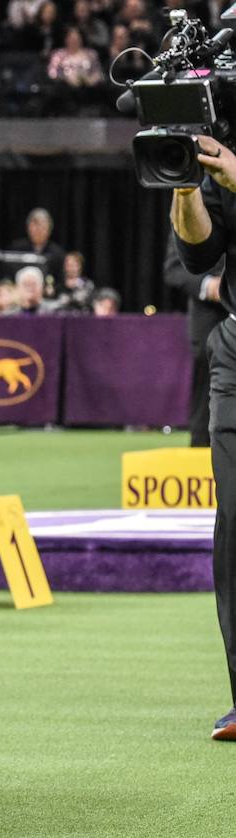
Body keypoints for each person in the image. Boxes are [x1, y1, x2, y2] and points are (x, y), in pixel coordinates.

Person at [169, 135, 236, 740]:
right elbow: (197, 254)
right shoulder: (218, 152)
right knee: (235, 524)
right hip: (235, 349)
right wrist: (186, 184)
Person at [165, 233, 225, 446]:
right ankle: (199, 467)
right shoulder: (190, 206)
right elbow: (174, 270)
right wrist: (209, 286)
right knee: (206, 403)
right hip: (210, 324)